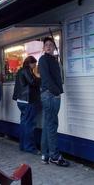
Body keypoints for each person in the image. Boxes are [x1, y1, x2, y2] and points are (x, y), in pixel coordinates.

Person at [38, 37, 69, 167]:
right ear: (44, 48)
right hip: (50, 95)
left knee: (47, 124)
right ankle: (54, 156)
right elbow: (46, 78)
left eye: (51, 44)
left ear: (54, 47)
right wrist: (56, 92)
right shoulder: (44, 59)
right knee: (52, 125)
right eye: (46, 45)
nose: (49, 46)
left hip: (51, 94)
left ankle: (45, 154)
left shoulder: (53, 60)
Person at [13, 55, 41, 153]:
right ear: (30, 63)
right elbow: (33, 82)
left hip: (21, 101)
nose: (35, 66)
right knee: (29, 124)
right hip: (27, 101)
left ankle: (22, 145)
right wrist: (39, 77)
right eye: (34, 64)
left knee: (24, 123)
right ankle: (29, 147)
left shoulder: (20, 71)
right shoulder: (26, 70)